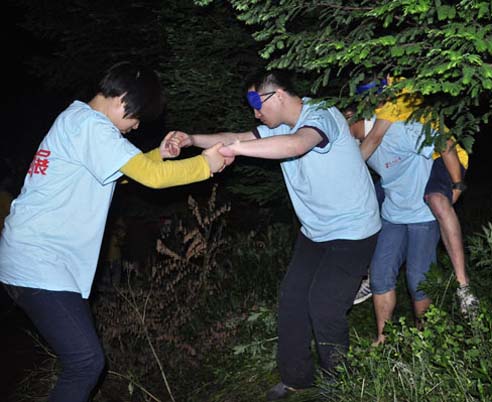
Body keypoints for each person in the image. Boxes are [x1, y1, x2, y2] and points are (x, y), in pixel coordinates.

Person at [0, 61, 229, 402]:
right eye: (136, 119)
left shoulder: (76, 120)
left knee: (82, 360)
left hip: (32, 257)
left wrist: (160, 155)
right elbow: (150, 178)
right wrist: (205, 165)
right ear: (124, 100)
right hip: (39, 260)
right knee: (86, 361)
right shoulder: (92, 126)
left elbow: (122, 172)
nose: (134, 128)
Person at [172, 70, 381, 400]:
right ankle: (297, 378)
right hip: (315, 231)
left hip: (353, 230)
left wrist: (237, 150)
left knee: (324, 304)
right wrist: (193, 140)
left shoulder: (321, 115)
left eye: (258, 105)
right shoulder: (278, 124)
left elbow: (297, 145)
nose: (255, 113)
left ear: (278, 96)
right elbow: (234, 135)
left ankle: (339, 382)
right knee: (293, 299)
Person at [352, 78, 478, 317]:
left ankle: (463, 284)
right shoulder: (376, 110)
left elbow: (375, 137)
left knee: (438, 202)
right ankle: (369, 273)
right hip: (403, 189)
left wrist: (457, 185)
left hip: (447, 155)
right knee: (364, 203)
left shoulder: (395, 99)